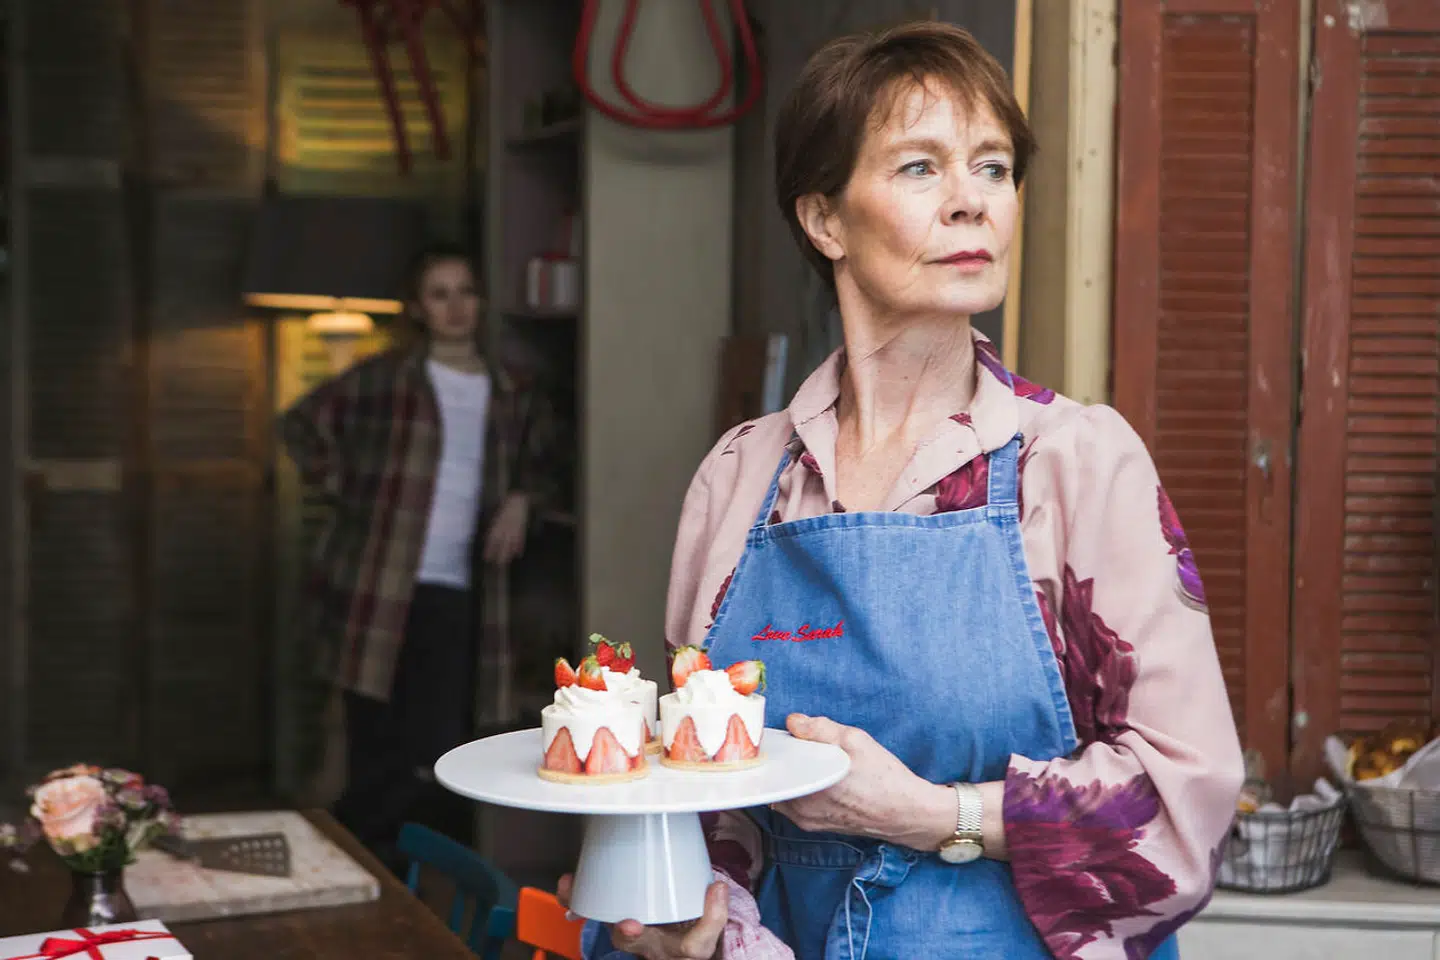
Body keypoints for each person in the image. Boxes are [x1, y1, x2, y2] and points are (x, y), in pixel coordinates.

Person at [572, 21, 1242, 960]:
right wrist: (696, 926)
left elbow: (1185, 805)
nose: (972, 202)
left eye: (994, 167)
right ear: (825, 220)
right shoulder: (743, 479)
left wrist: (927, 814)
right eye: (920, 168)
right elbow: (706, 800)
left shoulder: (1078, 465)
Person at [280, 241, 553, 870]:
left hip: (459, 589)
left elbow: (546, 462)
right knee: (374, 738)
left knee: (438, 743)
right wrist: (350, 489)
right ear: (417, 308)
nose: (455, 307)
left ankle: (387, 865)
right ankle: (368, 868)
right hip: (377, 586)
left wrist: (522, 499)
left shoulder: (513, 387)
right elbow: (300, 425)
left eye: (466, 292)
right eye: (439, 294)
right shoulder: (385, 377)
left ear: (480, 301)